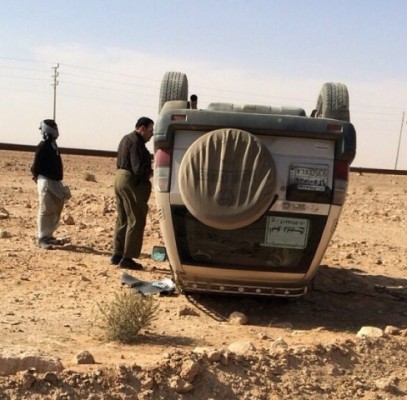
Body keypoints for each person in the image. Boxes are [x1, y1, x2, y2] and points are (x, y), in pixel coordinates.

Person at [111, 117, 154, 270]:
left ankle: (117, 253)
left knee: (123, 218)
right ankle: (128, 258)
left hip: (120, 178)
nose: (152, 134)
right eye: (150, 130)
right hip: (130, 180)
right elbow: (138, 168)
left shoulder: (126, 139)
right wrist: (149, 173)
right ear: (142, 128)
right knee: (136, 218)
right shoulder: (137, 142)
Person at [31, 119, 69, 250]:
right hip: (46, 180)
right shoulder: (43, 146)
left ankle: (49, 236)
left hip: (55, 181)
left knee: (55, 208)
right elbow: (36, 166)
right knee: (46, 210)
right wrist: (37, 177)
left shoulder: (53, 145)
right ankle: (42, 237)